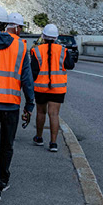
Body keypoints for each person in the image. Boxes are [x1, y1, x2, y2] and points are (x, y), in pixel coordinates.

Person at [0, 5, 34, 203]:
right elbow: (27, 79)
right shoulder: (21, 46)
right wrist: (30, 104)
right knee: (7, 145)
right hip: (12, 104)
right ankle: (3, 178)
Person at [30, 23, 71, 152]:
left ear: (43, 36)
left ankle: (39, 137)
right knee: (54, 114)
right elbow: (70, 65)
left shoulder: (36, 50)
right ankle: (53, 143)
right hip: (57, 89)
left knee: (41, 112)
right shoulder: (63, 51)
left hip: (40, 88)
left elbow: (34, 70)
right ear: (56, 37)